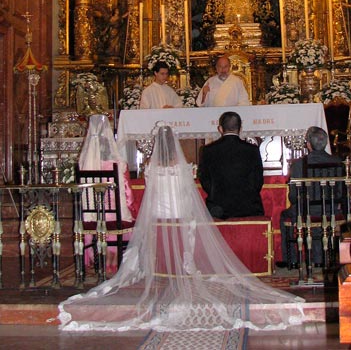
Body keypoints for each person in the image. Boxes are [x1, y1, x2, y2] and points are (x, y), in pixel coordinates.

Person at [59, 123, 305, 332]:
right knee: (193, 215)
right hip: (179, 213)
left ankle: (151, 263)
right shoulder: (183, 168)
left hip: (157, 215)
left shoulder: (150, 169)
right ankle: (189, 260)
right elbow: (189, 195)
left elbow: (143, 196)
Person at [277, 126, 345, 269]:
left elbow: (294, 196)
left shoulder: (298, 165)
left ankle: (293, 261)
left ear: (308, 144)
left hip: (305, 211)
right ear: (326, 143)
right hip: (331, 210)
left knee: (284, 216)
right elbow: (340, 193)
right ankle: (322, 259)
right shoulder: (338, 162)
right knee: (320, 216)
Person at [78, 114, 137, 271]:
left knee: (102, 218)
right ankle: (113, 257)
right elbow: (127, 194)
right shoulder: (118, 164)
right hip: (113, 216)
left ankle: (97, 257)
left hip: (90, 215)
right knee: (120, 217)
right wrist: (132, 209)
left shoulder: (84, 164)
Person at [198, 111, 264, 219]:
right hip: (248, 208)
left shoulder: (208, 150)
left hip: (218, 208)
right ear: (240, 128)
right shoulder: (252, 150)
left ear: (220, 129)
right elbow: (258, 181)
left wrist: (216, 194)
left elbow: (204, 179)